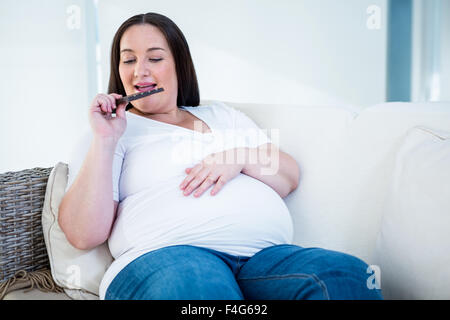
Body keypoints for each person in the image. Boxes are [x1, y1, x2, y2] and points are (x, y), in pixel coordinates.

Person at [58, 12, 383, 300]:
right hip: (168, 259)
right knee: (203, 292)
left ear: (179, 66)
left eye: (154, 58)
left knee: (345, 277)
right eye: (128, 60)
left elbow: (287, 176)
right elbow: (83, 233)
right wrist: (105, 141)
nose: (139, 71)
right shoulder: (111, 131)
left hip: (263, 259)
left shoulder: (223, 116)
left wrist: (238, 157)